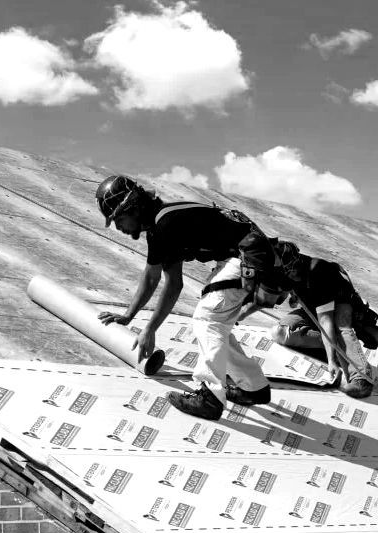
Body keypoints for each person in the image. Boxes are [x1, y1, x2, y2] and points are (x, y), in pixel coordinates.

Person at [95, 174, 285, 421]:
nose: (119, 227)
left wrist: (150, 329)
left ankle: (209, 398)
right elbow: (153, 277)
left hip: (246, 257)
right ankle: (253, 387)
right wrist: (128, 316)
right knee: (216, 325)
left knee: (207, 318)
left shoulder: (165, 225)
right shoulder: (161, 223)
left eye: (119, 219)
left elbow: (173, 286)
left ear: (135, 207)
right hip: (243, 256)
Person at [269, 253, 378, 399]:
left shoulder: (318, 274)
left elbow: (325, 321)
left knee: (341, 329)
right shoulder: (281, 264)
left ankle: (362, 380)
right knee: (279, 332)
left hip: (340, 301)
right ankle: (332, 344)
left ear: (296, 269)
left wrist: (331, 362)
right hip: (313, 307)